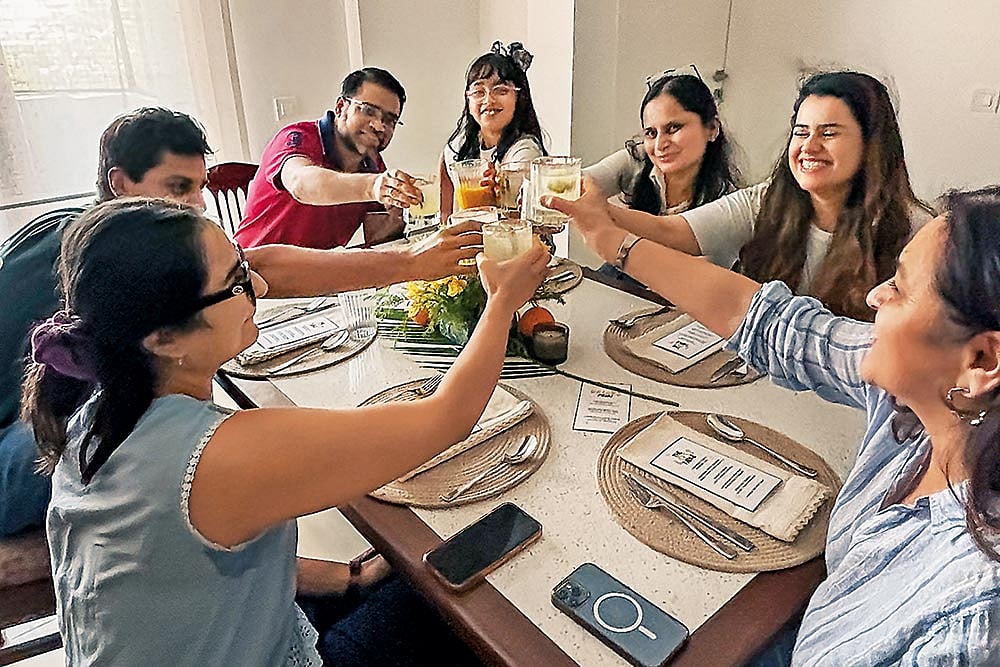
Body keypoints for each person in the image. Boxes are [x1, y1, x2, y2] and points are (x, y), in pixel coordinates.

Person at [22, 197, 550, 665]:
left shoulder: (96, 409)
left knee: (401, 574)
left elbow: (169, 566)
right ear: (163, 339)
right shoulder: (219, 454)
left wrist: (340, 578)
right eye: (236, 282)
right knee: (464, 615)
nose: (261, 286)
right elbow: (448, 417)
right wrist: (502, 301)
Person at [547, 184, 1000, 665]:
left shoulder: (968, 619)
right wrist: (610, 239)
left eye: (900, 289)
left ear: (981, 360)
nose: (875, 296)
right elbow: (774, 323)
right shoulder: (917, 407)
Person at [0, 105, 480, 546]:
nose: (198, 205)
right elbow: (441, 422)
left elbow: (259, 268)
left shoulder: (142, 251)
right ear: (122, 183)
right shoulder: (74, 252)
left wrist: (410, 262)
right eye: (178, 188)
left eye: (199, 187)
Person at [578, 70, 932, 320]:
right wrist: (589, 209)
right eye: (801, 132)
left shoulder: (916, 231)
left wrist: (605, 226)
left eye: (829, 133)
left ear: (872, 144)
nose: (809, 146)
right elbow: (674, 231)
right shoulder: (768, 199)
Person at [235, 67, 424, 250]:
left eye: (390, 120)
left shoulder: (373, 164)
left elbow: (375, 241)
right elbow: (300, 183)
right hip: (252, 272)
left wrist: (396, 216)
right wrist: (373, 187)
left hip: (318, 274)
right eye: (368, 111)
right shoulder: (297, 137)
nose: (380, 125)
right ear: (341, 107)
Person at [584, 69, 741, 216]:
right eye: (651, 133)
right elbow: (579, 183)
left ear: (712, 128)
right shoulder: (637, 160)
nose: (660, 145)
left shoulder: (729, 204)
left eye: (673, 128)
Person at [440, 41, 547, 219]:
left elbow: (518, 223)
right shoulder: (458, 146)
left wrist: (493, 199)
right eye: (478, 91)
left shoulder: (524, 151)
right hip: (467, 241)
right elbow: (445, 214)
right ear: (468, 99)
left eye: (501, 90)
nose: (488, 100)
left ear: (519, 97)